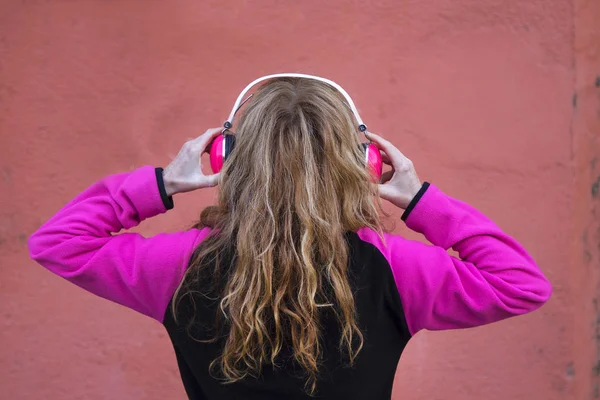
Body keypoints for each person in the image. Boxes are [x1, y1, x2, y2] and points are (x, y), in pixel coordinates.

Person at [28, 77, 552, 400]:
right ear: (363, 164)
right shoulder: (397, 270)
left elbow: (58, 242)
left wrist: (164, 182)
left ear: (226, 160)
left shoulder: (176, 267)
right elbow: (521, 284)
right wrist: (419, 199)